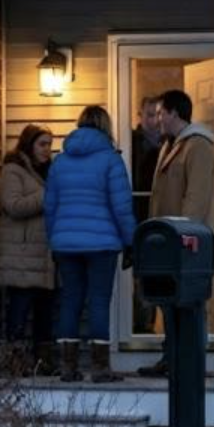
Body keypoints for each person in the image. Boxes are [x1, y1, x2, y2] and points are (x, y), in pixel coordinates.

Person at [44, 104, 136, 383]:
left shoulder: (60, 162)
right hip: (102, 244)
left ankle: (68, 367)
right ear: (105, 126)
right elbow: (122, 207)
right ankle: (100, 368)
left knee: (70, 300)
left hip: (65, 244)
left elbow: (50, 206)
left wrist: (54, 238)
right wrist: (131, 241)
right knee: (98, 302)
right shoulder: (111, 160)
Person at [137, 89, 214, 377]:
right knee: (168, 300)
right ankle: (170, 358)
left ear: (174, 113)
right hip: (165, 241)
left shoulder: (198, 146)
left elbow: (197, 198)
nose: (157, 119)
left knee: (190, 301)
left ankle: (190, 362)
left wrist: (184, 235)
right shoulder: (169, 147)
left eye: (161, 113)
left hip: (187, 242)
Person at [0, 123, 56, 373]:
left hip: (44, 257)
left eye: (49, 145)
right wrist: (46, 196)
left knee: (45, 311)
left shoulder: (49, 173)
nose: (47, 150)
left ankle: (43, 363)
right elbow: (13, 205)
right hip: (20, 256)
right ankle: (14, 363)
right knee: (19, 310)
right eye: (42, 144)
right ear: (29, 144)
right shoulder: (13, 170)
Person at [131, 95, 163, 224]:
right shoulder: (130, 142)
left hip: (163, 206)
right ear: (140, 115)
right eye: (150, 115)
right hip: (138, 205)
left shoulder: (171, 141)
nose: (155, 121)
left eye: (159, 115)